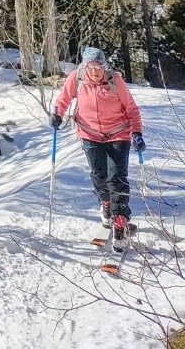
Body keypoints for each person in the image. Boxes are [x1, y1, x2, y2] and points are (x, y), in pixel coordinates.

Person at [50, 45, 145, 244]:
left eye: (98, 67)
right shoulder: (76, 78)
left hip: (118, 134)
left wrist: (136, 132)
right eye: (90, 67)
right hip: (90, 133)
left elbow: (131, 108)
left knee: (117, 178)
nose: (95, 71)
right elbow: (63, 100)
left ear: (104, 66)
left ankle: (120, 221)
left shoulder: (114, 80)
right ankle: (106, 204)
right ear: (84, 67)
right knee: (98, 175)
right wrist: (57, 114)